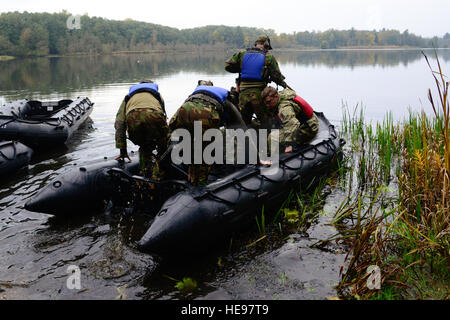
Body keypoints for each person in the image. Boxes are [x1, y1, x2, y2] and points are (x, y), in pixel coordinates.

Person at [169, 80, 244, 186]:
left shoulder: (193, 96)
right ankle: (200, 188)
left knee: (189, 143)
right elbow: (242, 129)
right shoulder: (227, 101)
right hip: (207, 116)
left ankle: (188, 172)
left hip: (185, 112)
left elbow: (172, 123)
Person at [225, 35, 288, 129]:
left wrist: (243, 68)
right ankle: (267, 142)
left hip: (243, 96)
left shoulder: (242, 54)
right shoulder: (269, 57)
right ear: (266, 45)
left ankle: (243, 142)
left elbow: (227, 66)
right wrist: (283, 84)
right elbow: (277, 76)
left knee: (244, 123)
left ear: (256, 44)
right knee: (266, 123)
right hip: (260, 95)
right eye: (267, 47)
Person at [114, 80, 169, 180]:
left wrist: (123, 150)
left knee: (144, 146)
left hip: (133, 116)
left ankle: (144, 173)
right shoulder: (157, 95)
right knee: (163, 146)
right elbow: (163, 117)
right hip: (154, 115)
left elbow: (120, 123)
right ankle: (160, 173)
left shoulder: (128, 97)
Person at [261, 86, 319, 153]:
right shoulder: (283, 94)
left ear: (276, 96)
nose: (267, 105)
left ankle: (276, 158)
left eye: (269, 102)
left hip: (308, 129)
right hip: (310, 120)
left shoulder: (284, 108)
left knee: (272, 137)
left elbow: (293, 124)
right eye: (266, 103)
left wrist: (288, 144)